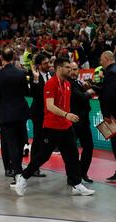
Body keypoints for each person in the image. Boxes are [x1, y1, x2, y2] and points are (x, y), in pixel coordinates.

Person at [15, 57, 95, 196]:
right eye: (67, 67)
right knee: (43, 156)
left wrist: (69, 117)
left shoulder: (68, 84)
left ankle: (76, 184)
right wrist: (66, 115)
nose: (70, 70)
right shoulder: (50, 84)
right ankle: (23, 177)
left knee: (72, 155)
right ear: (59, 68)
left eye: (71, 68)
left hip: (66, 127)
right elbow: (50, 106)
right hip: (52, 127)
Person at [0, 48, 30, 184]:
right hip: (20, 113)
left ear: (1, 58)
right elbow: (26, 91)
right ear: (13, 57)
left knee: (11, 144)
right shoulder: (21, 73)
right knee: (20, 143)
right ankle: (18, 170)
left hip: (5, 114)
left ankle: (17, 172)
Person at [69, 62, 95, 183]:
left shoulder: (78, 82)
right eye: (71, 69)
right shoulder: (68, 83)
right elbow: (81, 97)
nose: (74, 72)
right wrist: (89, 92)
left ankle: (82, 172)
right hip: (73, 122)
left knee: (89, 147)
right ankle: (73, 176)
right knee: (72, 151)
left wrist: (86, 89)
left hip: (84, 121)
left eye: (76, 69)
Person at [29, 53, 53, 177]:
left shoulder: (52, 75)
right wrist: (36, 78)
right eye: (45, 63)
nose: (48, 65)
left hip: (52, 113)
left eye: (49, 62)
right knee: (38, 140)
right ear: (39, 65)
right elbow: (35, 94)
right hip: (39, 113)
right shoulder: (34, 77)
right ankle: (33, 168)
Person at [98, 51, 116, 181]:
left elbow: (109, 95)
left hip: (114, 116)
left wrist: (106, 114)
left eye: (101, 59)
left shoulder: (111, 72)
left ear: (106, 58)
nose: (100, 62)